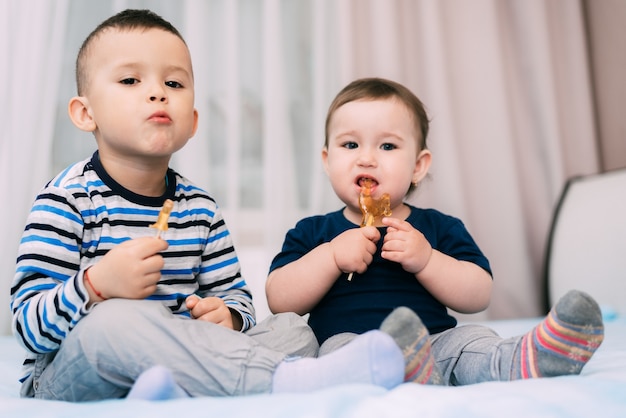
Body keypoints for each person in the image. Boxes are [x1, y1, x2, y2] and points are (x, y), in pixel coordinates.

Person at [9, 11, 406, 402]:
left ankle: (166, 395)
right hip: (71, 374)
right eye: (130, 79)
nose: (157, 92)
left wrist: (227, 317)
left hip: (183, 361)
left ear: (193, 121)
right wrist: (97, 285)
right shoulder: (66, 199)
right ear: (85, 113)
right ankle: (284, 381)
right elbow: (28, 326)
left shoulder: (198, 208)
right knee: (113, 321)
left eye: (174, 82)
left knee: (293, 330)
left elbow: (237, 300)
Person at [265, 77, 605, 386]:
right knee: (340, 353)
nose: (366, 158)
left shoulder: (438, 227)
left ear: (418, 166)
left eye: (387, 146)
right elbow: (279, 299)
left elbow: (479, 294)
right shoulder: (313, 231)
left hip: (434, 344)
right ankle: (405, 374)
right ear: (327, 160)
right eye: (350, 145)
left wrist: (427, 260)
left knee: (473, 341)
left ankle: (530, 358)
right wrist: (331, 256)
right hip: (352, 346)